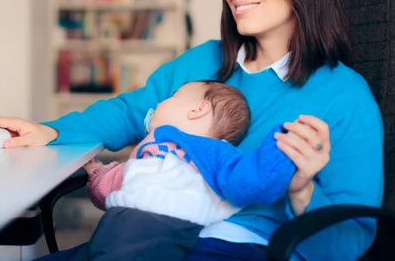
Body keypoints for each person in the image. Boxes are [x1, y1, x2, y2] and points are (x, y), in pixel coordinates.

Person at [0, 0, 384, 261]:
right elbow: (131, 112)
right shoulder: (205, 61)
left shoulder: (345, 96)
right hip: (144, 232)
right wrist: (53, 132)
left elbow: (350, 240)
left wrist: (301, 191)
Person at [71, 80, 296, 260]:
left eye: (171, 98)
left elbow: (248, 180)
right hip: (120, 217)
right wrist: (97, 174)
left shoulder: (213, 150)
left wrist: (278, 149)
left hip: (163, 220)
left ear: (198, 110)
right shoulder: (151, 148)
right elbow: (117, 183)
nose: (158, 105)